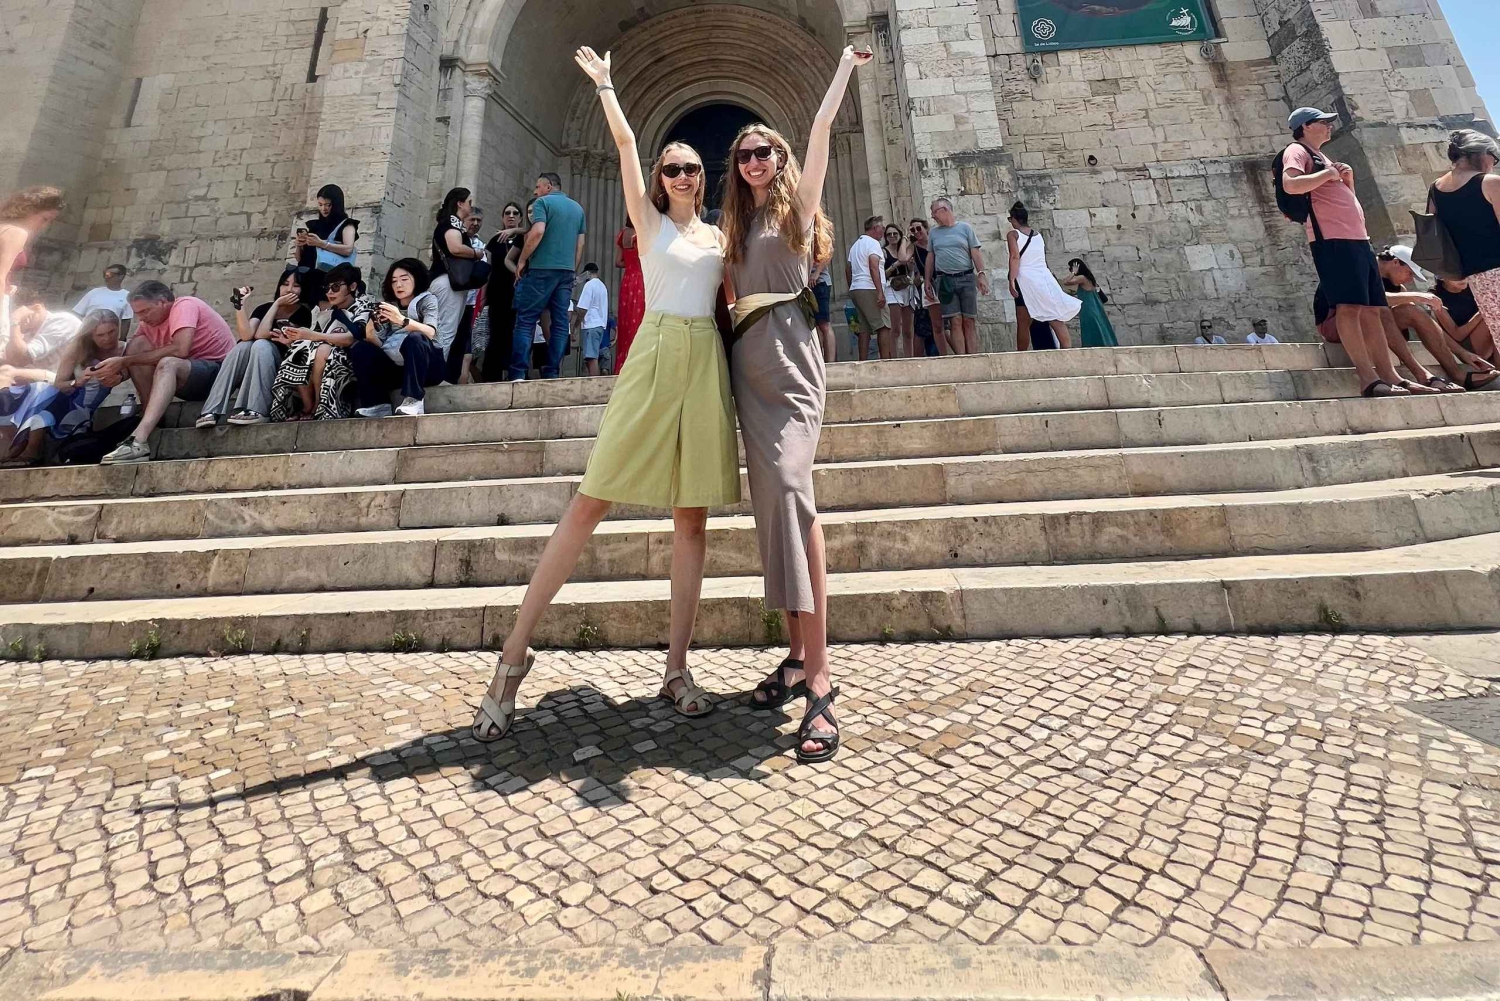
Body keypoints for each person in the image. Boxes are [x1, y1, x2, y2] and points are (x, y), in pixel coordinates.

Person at [473, 46, 741, 743]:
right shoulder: (648, 224)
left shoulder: (719, 236)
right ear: (659, 179)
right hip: (654, 354)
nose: (681, 175)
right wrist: (607, 87)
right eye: (670, 167)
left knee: (692, 520)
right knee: (590, 500)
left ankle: (676, 669)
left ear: (703, 178)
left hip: (704, 362)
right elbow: (623, 145)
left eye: (690, 167)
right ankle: (512, 657)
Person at [721, 45, 873, 764]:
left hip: (792, 361)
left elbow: (819, 132)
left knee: (792, 490)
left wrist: (842, 67)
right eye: (745, 155)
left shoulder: (797, 210)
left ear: (779, 160)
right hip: (746, 365)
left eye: (765, 152)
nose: (756, 161)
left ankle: (821, 680)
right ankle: (793, 656)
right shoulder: (731, 226)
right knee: (772, 507)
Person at [1280, 107, 1416, 397]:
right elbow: (1290, 184)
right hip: (1332, 240)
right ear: (1306, 126)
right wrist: (1329, 173)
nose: (1330, 126)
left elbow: (1339, 198)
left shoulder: (1322, 156)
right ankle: (1368, 378)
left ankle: (1390, 375)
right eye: (1323, 122)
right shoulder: (1297, 150)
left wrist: (1346, 181)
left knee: (1374, 309)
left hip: (1357, 239)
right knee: (1350, 307)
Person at [98, 281, 235, 464]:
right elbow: (135, 356)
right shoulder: (148, 322)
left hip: (219, 375)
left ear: (162, 302)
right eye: (137, 313)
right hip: (187, 375)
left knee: (168, 363)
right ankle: (151, 416)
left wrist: (125, 362)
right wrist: (119, 375)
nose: (141, 318)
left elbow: (180, 349)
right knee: (137, 345)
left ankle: (139, 441)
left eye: (145, 311)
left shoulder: (184, 305)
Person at [0, 309, 124, 466]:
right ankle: (24, 446)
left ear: (118, 328)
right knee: (40, 391)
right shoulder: (79, 351)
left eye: (111, 332)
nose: (107, 338)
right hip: (68, 398)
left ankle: (27, 449)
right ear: (90, 336)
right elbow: (59, 384)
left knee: (45, 397)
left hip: (83, 409)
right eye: (100, 335)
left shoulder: (125, 350)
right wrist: (78, 382)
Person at [196, 267, 314, 427]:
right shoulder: (264, 308)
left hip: (283, 368)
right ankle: (211, 410)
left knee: (261, 344)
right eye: (285, 284)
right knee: (242, 346)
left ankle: (257, 409)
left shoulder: (304, 313)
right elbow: (247, 334)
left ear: (303, 290)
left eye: (296, 286)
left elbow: (261, 334)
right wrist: (240, 306)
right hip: (253, 366)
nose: (289, 289)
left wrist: (277, 304)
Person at [1377, 246, 1494, 390]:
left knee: (1412, 311)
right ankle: (1422, 374)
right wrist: (1417, 296)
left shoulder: (1398, 287)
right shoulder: (1366, 269)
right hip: (1362, 326)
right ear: (1395, 262)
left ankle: (1458, 374)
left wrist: (1461, 352)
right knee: (1384, 310)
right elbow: (1372, 299)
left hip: (1388, 328)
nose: (1409, 279)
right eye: (1409, 273)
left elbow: (1425, 322)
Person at [269, 263, 374, 421]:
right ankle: (308, 406)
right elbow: (313, 340)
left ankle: (319, 405)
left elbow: (351, 338)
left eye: (336, 287)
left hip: (353, 359)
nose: (330, 292)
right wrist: (292, 340)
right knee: (300, 346)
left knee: (322, 349)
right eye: (327, 288)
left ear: (352, 287)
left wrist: (312, 336)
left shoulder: (364, 305)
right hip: (326, 356)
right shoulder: (328, 312)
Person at [508, 173, 587, 380]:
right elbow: (580, 244)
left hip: (541, 268)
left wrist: (523, 259)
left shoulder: (542, 203)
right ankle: (552, 371)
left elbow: (537, 232)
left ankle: (518, 372)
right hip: (566, 271)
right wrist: (572, 268)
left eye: (538, 186)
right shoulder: (578, 209)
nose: (535, 192)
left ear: (549, 186)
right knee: (560, 323)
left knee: (526, 320)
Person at [349, 259, 447, 417]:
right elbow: (381, 346)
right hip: (398, 368)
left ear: (417, 279)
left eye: (404, 279)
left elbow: (430, 332)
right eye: (394, 281)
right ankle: (377, 404)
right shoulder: (389, 305)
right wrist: (370, 329)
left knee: (416, 338)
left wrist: (401, 320)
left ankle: (414, 400)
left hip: (428, 368)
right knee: (361, 348)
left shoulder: (427, 299)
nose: (398, 285)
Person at [1430, 129, 1500, 348]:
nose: (1494, 163)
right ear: (1482, 153)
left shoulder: (1436, 189)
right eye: (1495, 157)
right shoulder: (1490, 182)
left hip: (1477, 279)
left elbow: (1434, 234)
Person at [428, 187, 484, 380]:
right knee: (445, 331)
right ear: (460, 204)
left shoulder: (452, 223)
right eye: (469, 202)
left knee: (444, 331)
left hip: (450, 284)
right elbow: (455, 248)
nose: (471, 205)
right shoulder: (452, 223)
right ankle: (434, 378)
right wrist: (476, 253)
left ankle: (436, 374)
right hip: (447, 283)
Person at [0, 187, 64, 347]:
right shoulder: (17, 233)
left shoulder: (3, 227)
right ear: (29, 209)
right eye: (44, 219)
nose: (45, 226)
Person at [1007, 202, 1076, 350]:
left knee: (1023, 321)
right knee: (1054, 316)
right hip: (1043, 277)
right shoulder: (1038, 235)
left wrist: (1011, 279)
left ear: (1014, 219)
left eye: (1010, 219)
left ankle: (1021, 355)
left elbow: (1015, 257)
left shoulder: (1013, 234)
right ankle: (1067, 350)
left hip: (1025, 279)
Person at [928, 197, 989, 354]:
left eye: (934, 212)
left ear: (945, 210)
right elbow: (931, 256)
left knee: (969, 320)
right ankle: (961, 357)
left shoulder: (965, 228)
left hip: (966, 278)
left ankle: (972, 356)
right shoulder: (933, 233)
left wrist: (981, 274)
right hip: (944, 280)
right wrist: (927, 280)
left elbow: (975, 252)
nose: (933, 216)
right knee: (954, 320)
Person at [480, 201, 527, 381]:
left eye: (515, 213)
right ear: (502, 217)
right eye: (507, 213)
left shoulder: (525, 237)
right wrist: (483, 296)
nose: (511, 216)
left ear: (520, 218)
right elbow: (488, 268)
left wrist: (516, 230)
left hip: (519, 292)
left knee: (517, 332)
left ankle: (515, 372)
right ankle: (491, 376)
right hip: (497, 293)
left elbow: (531, 230)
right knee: (496, 333)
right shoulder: (495, 240)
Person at [2, 302, 82, 388]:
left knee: (8, 373)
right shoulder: (30, 331)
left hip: (61, 379)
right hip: (41, 374)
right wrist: (16, 330)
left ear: (37, 307)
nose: (23, 321)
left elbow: (22, 357)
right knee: (5, 368)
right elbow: (12, 359)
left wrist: (15, 321)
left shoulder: (62, 320)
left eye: (23, 315)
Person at [846, 216, 889, 360]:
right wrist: (880, 292)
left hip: (856, 288)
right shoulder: (873, 243)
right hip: (869, 287)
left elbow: (848, 269)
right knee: (883, 325)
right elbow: (873, 266)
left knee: (864, 329)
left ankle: (862, 362)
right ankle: (886, 361)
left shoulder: (855, 246)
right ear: (875, 228)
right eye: (882, 228)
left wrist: (852, 286)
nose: (883, 231)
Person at [294, 183, 358, 272]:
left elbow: (348, 250)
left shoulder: (346, 224)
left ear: (336, 205)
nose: (324, 208)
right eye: (320, 205)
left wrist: (321, 244)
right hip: (305, 273)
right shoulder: (315, 226)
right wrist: (299, 245)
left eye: (328, 205)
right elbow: (299, 259)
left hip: (327, 275)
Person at [909, 218, 949, 355]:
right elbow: (903, 258)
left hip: (944, 284)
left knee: (949, 323)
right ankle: (943, 356)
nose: (916, 232)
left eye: (918, 228)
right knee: (932, 326)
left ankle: (960, 354)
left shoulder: (936, 242)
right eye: (912, 229)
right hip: (928, 287)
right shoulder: (913, 247)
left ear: (926, 229)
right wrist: (905, 238)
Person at [1432, 277, 1494, 363]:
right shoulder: (1436, 297)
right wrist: (1482, 312)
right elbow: (1458, 335)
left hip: (1489, 342)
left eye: (1465, 273)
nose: (1462, 278)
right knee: (1493, 316)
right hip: (1464, 347)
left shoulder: (1474, 287)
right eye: (1456, 274)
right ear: (1441, 276)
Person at [1061, 257, 1117, 347]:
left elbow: (1066, 282)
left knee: (1090, 328)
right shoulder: (1089, 278)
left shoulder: (1082, 278)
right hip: (1095, 307)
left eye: (1071, 268)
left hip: (1088, 308)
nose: (1070, 270)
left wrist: (1073, 273)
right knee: (1098, 327)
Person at [614, 217, 645, 369]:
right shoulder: (641, 234)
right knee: (638, 320)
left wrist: (630, 262)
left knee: (626, 320)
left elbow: (618, 262)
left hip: (627, 281)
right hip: (641, 281)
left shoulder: (622, 234)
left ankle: (622, 362)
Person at [72, 264, 133, 338]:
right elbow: (77, 313)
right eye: (105, 274)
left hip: (107, 336)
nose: (106, 277)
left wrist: (122, 340)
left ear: (121, 276)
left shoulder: (126, 295)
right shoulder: (94, 292)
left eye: (109, 274)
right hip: (87, 334)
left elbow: (126, 320)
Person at [882, 222, 916, 358]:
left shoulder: (904, 250)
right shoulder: (884, 252)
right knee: (895, 328)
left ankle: (909, 357)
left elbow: (910, 270)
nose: (892, 236)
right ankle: (894, 358)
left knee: (908, 329)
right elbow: (882, 274)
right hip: (892, 288)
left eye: (895, 234)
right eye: (889, 234)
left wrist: (910, 267)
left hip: (906, 288)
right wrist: (895, 265)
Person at [573, 263, 609, 377]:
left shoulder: (589, 285)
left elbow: (583, 309)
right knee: (592, 356)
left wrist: (575, 326)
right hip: (600, 325)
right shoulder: (602, 286)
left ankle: (594, 382)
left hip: (591, 325)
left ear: (587, 273)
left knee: (591, 358)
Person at [810, 254, 835, 362]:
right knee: (815, 325)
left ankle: (830, 362)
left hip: (820, 282)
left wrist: (817, 273)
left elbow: (828, 253)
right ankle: (820, 360)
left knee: (824, 324)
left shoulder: (819, 240)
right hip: (807, 285)